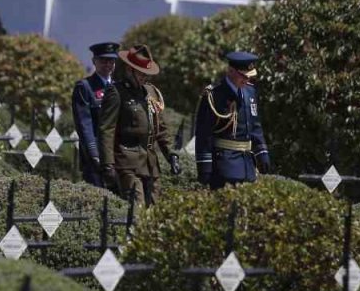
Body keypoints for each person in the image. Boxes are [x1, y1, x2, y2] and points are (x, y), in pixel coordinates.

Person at [96, 44, 181, 208]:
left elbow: (160, 128)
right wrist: (107, 164)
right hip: (128, 163)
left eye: (147, 74)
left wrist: (172, 155)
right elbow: (106, 129)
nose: (145, 77)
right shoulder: (116, 92)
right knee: (137, 212)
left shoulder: (151, 92)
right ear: (130, 69)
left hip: (151, 164)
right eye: (142, 73)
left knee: (155, 214)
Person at [194, 51, 271, 189]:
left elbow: (255, 126)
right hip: (224, 167)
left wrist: (262, 153)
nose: (247, 80)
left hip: (248, 166)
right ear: (230, 71)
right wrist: (205, 168)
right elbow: (204, 134)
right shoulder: (215, 95)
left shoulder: (250, 92)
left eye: (249, 77)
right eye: (243, 76)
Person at [72, 41, 119, 187]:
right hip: (96, 156)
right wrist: (93, 153)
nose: (107, 64)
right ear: (94, 61)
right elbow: (84, 123)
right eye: (103, 60)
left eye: (111, 60)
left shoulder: (118, 87)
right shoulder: (85, 87)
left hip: (117, 153)